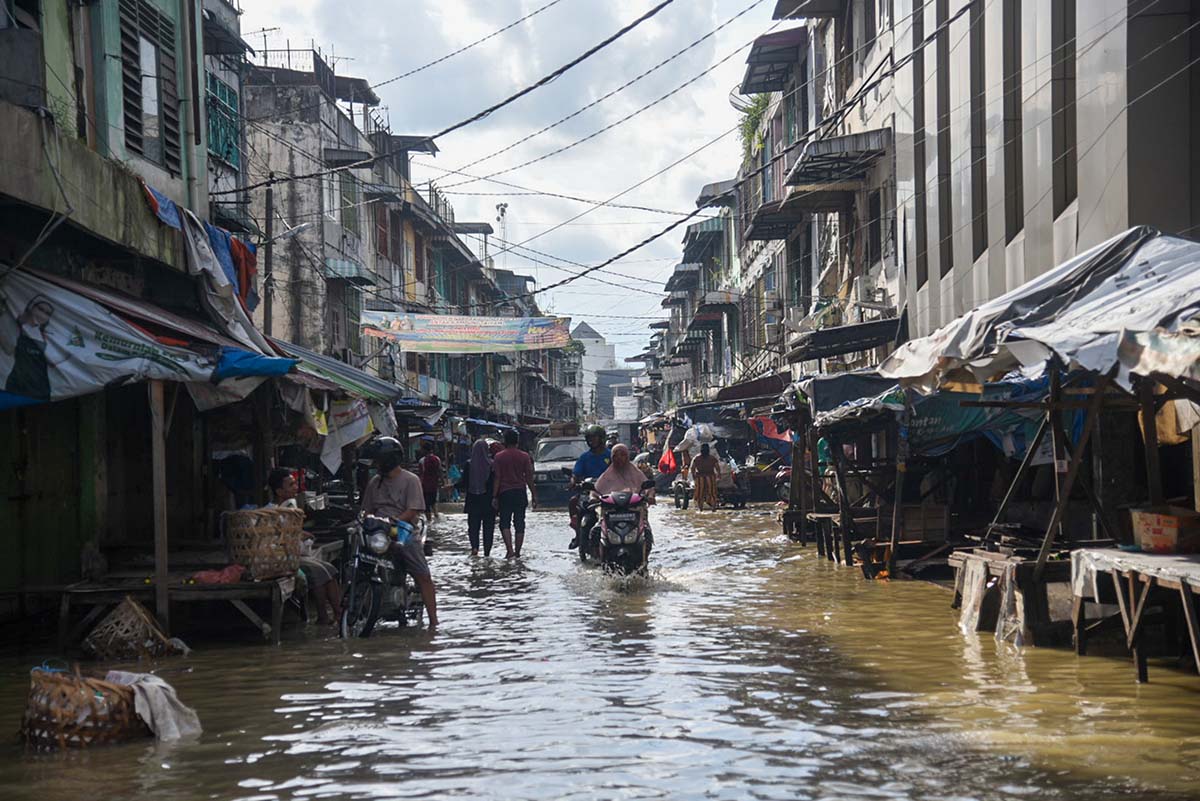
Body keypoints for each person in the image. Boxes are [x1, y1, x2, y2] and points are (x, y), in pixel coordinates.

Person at [361, 442, 438, 628]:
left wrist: (393, 522)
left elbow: (413, 510)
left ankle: (434, 622)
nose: (376, 464)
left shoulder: (411, 480)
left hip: (403, 531)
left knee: (423, 575)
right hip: (378, 533)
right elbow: (366, 509)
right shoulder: (374, 483)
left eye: (379, 460)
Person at [266, 467, 344, 625]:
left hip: (296, 554)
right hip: (281, 558)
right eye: (291, 485)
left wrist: (300, 534)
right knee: (319, 572)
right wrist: (297, 534)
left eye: (295, 483)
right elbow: (275, 538)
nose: (296, 487)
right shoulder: (270, 512)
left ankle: (338, 613)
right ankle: (324, 616)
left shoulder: (291, 508)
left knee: (330, 569)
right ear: (279, 491)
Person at [594, 443, 656, 553]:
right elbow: (596, 490)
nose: (619, 458)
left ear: (627, 456)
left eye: (622, 455)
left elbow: (648, 487)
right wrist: (594, 498)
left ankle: (645, 553)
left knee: (645, 529)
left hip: (634, 508)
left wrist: (650, 497)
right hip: (611, 509)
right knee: (597, 528)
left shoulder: (636, 473)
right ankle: (597, 551)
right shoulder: (606, 475)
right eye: (615, 456)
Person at [492, 429, 536, 558]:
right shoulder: (524, 456)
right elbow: (529, 477)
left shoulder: (499, 457)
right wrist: (534, 495)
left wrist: (494, 496)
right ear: (517, 441)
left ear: (505, 441)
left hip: (505, 493)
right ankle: (518, 552)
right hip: (520, 492)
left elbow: (497, 478)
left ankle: (509, 550)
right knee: (519, 523)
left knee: (504, 523)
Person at [569, 425, 610, 550]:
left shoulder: (612, 455)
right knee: (574, 503)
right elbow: (575, 474)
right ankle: (578, 535)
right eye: (589, 438)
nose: (591, 441)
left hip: (609, 492)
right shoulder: (584, 457)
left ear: (601, 438)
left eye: (594, 438)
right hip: (589, 492)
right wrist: (573, 482)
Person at [459, 438, 496, 557]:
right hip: (488, 502)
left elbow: (464, 483)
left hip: (473, 501)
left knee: (473, 528)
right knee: (488, 529)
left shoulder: (469, 465)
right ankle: (487, 553)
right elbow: (495, 483)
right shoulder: (492, 464)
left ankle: (474, 548)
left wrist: (452, 486)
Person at [417, 441, 442, 523]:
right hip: (434, 485)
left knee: (427, 505)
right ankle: (437, 517)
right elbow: (439, 472)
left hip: (425, 486)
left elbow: (421, 474)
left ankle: (429, 521)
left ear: (425, 450)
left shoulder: (422, 461)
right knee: (433, 502)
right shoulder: (437, 459)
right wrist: (442, 482)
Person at [691, 443, 720, 511]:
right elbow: (717, 467)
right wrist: (719, 474)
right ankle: (713, 508)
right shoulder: (712, 458)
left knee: (700, 494)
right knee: (712, 493)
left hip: (700, 477)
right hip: (710, 477)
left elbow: (692, 468)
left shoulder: (696, 458)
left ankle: (700, 509)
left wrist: (694, 476)